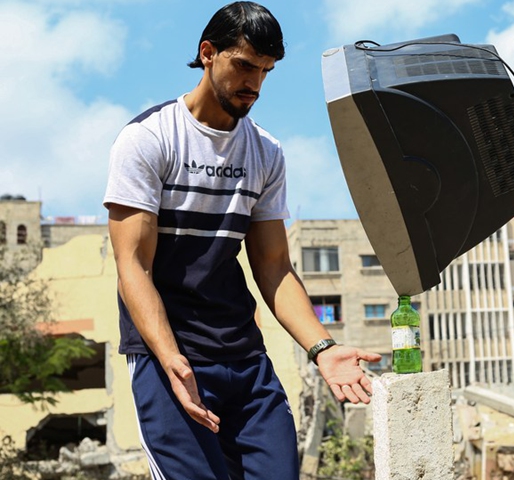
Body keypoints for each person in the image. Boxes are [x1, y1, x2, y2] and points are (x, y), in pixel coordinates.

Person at [103, 3, 381, 479]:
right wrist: (171, 359)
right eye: (244, 65)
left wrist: (324, 349)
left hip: (243, 358)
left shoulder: (266, 153)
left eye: (266, 71)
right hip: (168, 356)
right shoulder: (149, 139)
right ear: (208, 54)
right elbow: (134, 266)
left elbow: (273, 267)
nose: (254, 82)